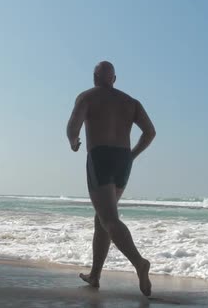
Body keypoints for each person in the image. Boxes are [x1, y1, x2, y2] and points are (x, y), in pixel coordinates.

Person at [66, 61, 156, 296]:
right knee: (102, 218)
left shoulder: (87, 97)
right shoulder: (131, 102)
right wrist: (132, 155)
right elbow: (150, 132)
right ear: (114, 79)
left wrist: (74, 142)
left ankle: (139, 262)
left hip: (101, 157)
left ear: (95, 77)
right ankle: (95, 275)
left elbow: (73, 126)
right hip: (123, 159)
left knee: (109, 218)